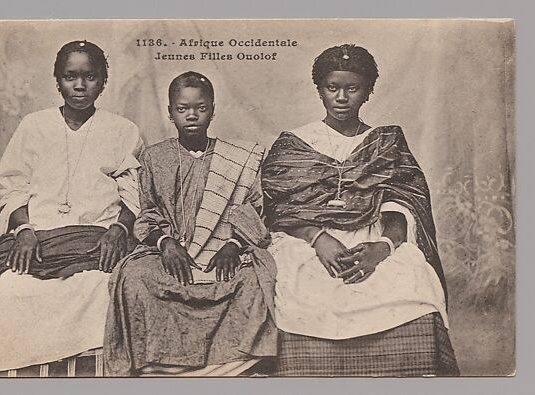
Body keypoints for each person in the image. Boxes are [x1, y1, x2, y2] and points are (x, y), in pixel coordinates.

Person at [261, 44, 459, 376]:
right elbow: (278, 208)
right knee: (296, 284)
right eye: (332, 88)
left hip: (373, 235)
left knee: (413, 281)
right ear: (320, 91)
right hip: (306, 237)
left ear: (367, 92)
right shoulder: (293, 142)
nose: (341, 97)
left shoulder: (385, 141)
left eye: (352, 88)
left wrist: (382, 248)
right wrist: (318, 238)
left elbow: (403, 203)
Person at [0, 40, 144, 376]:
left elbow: (135, 195)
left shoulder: (123, 130)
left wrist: (119, 229)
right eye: (70, 77)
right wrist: (24, 231)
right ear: (57, 80)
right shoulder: (33, 126)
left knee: (104, 289)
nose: (80, 86)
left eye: (90, 77)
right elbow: (11, 187)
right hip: (39, 239)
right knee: (10, 291)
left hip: (98, 240)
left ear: (103, 81)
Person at [103, 71, 277, 377]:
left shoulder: (240, 158)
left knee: (254, 281)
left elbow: (255, 210)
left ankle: (231, 366)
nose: (192, 116)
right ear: (171, 113)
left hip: (225, 248)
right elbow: (147, 213)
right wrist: (166, 243)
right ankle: (158, 366)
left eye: (201, 108)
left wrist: (233, 246)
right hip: (170, 250)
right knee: (133, 277)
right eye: (183, 109)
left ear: (212, 110)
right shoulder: (155, 158)